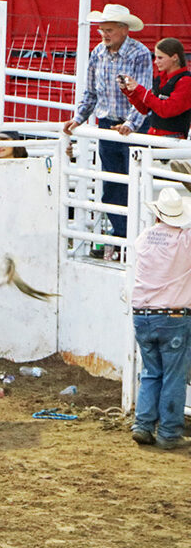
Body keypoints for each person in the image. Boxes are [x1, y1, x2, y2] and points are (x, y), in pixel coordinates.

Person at [62, 4, 153, 242]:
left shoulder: (139, 53)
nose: (104, 34)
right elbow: (90, 92)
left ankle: (135, 235)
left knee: (136, 182)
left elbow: (144, 93)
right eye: (102, 29)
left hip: (133, 126)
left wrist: (131, 124)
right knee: (113, 183)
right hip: (108, 124)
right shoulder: (97, 53)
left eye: (109, 29)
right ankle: (122, 235)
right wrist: (78, 118)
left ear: (124, 29)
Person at [129, 187, 191, 450]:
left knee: (151, 372)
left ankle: (143, 425)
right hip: (173, 316)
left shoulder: (144, 238)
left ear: (157, 215)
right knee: (174, 375)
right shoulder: (185, 241)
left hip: (142, 315)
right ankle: (168, 432)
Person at [119, 37, 190, 139]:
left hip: (173, 138)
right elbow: (145, 109)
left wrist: (139, 89)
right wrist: (130, 92)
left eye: (160, 58)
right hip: (154, 135)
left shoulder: (185, 81)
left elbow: (166, 110)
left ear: (174, 57)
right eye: (156, 57)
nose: (156, 62)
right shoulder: (160, 79)